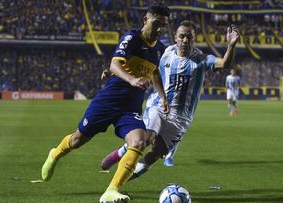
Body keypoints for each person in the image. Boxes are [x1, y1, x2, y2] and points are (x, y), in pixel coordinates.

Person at [41, 4, 170, 203]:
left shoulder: (159, 49)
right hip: (108, 102)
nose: (159, 29)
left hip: (130, 108)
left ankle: (111, 190)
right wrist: (132, 80)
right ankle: (55, 153)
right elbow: (114, 64)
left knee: (139, 141)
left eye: (164, 25)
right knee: (77, 140)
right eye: (156, 24)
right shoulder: (132, 38)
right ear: (145, 20)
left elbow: (154, 73)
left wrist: (162, 96)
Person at [100, 21, 240, 178]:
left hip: (181, 117)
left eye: (189, 37)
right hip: (158, 106)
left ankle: (124, 174)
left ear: (194, 39)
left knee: (155, 154)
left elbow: (224, 64)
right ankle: (117, 180)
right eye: (182, 36)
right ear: (175, 37)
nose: (185, 40)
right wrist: (110, 71)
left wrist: (231, 46)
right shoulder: (165, 52)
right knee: (146, 139)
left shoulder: (201, 59)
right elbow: (141, 64)